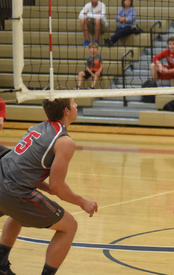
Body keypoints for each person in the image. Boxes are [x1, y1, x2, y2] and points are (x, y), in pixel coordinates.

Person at [0, 97, 98, 275]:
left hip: (2, 178)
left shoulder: (39, 127)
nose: (76, 106)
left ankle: (0, 265)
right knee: (69, 226)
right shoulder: (65, 142)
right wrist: (82, 202)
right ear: (67, 111)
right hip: (12, 191)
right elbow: (58, 187)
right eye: (74, 103)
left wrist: (49, 188)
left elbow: (28, 172)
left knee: (17, 212)